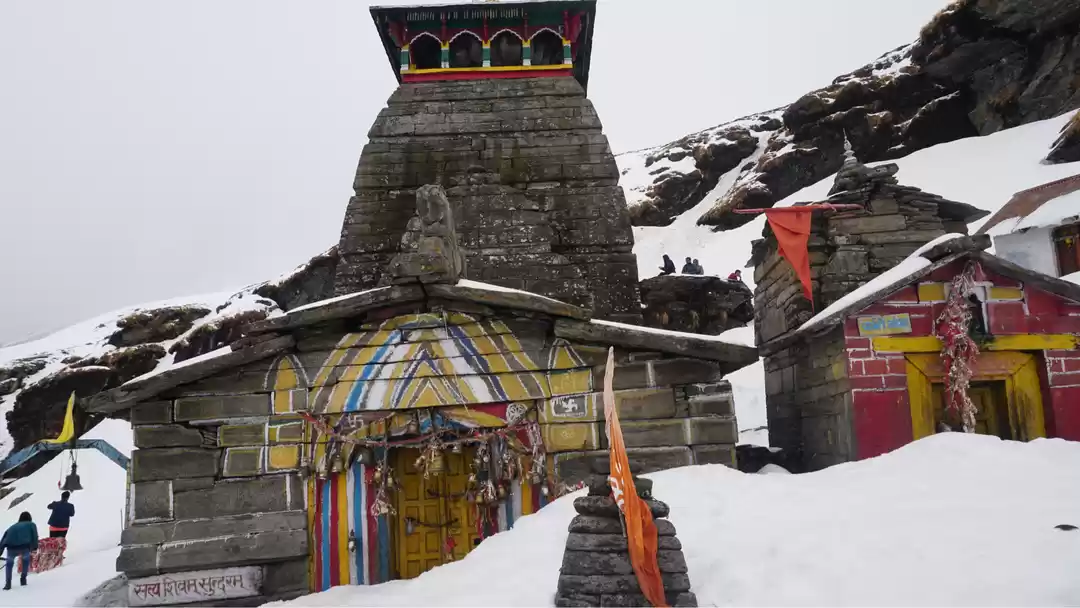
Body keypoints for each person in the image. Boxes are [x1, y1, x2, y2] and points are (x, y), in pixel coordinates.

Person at [1, 512, 38, 590]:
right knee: (25, 560)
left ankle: (8, 583)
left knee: (9, 564)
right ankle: (23, 579)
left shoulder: (12, 527)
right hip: (24, 547)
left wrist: (0, 550)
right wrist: (34, 547)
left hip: (11, 548)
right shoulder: (31, 524)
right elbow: (34, 536)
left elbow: (4, 538)